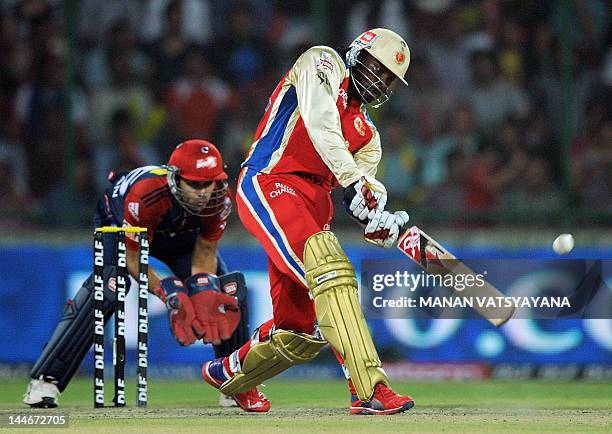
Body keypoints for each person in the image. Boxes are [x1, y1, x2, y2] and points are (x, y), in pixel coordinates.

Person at [201, 29, 414, 415]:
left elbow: (362, 196)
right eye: (378, 69)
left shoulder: (370, 138)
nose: (380, 82)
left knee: (298, 331)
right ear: (357, 55)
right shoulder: (323, 62)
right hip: (270, 182)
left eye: (388, 80)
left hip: (313, 210)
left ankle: (229, 373)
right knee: (332, 273)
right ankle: (369, 389)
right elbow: (320, 121)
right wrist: (354, 183)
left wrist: (377, 219)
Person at [23, 139, 270, 412]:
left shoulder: (219, 198)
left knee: (223, 290)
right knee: (106, 288)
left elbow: (205, 252)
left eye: (209, 183)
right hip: (120, 228)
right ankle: (46, 381)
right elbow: (132, 259)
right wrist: (168, 291)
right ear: (176, 178)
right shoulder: (146, 194)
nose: (203, 192)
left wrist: (202, 288)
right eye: (195, 184)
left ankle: (234, 384)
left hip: (181, 235)